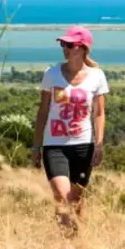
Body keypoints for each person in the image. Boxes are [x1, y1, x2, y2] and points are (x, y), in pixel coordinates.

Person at [31, 25, 110, 236]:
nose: (65, 48)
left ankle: (77, 239)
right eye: (63, 44)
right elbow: (43, 112)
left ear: (83, 48)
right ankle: (68, 244)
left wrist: (99, 145)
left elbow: (99, 113)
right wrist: (36, 146)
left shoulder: (97, 76)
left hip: (84, 146)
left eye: (70, 45)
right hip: (54, 146)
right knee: (62, 195)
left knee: (76, 200)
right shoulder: (52, 74)